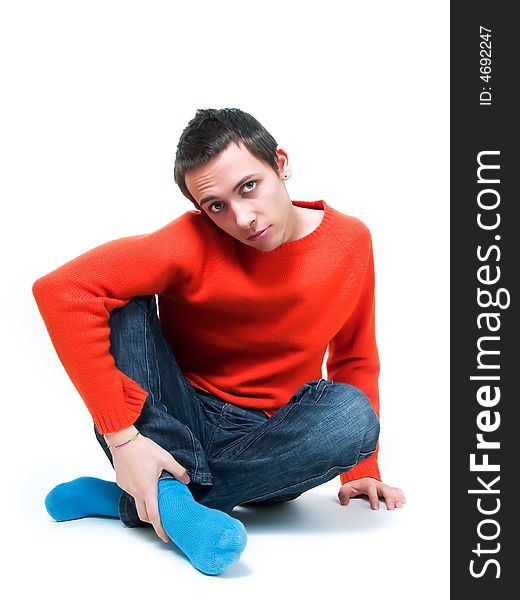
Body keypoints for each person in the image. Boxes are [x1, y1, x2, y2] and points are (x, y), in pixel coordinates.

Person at [32, 108, 406, 576]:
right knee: (117, 299)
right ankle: (163, 490)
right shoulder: (191, 242)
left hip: (270, 441)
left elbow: (354, 355)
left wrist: (363, 469)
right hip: (170, 419)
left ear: (281, 163)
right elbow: (61, 290)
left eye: (249, 186)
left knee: (352, 416)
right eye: (216, 206)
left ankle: (145, 500)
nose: (243, 217)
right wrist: (123, 439)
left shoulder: (350, 241)